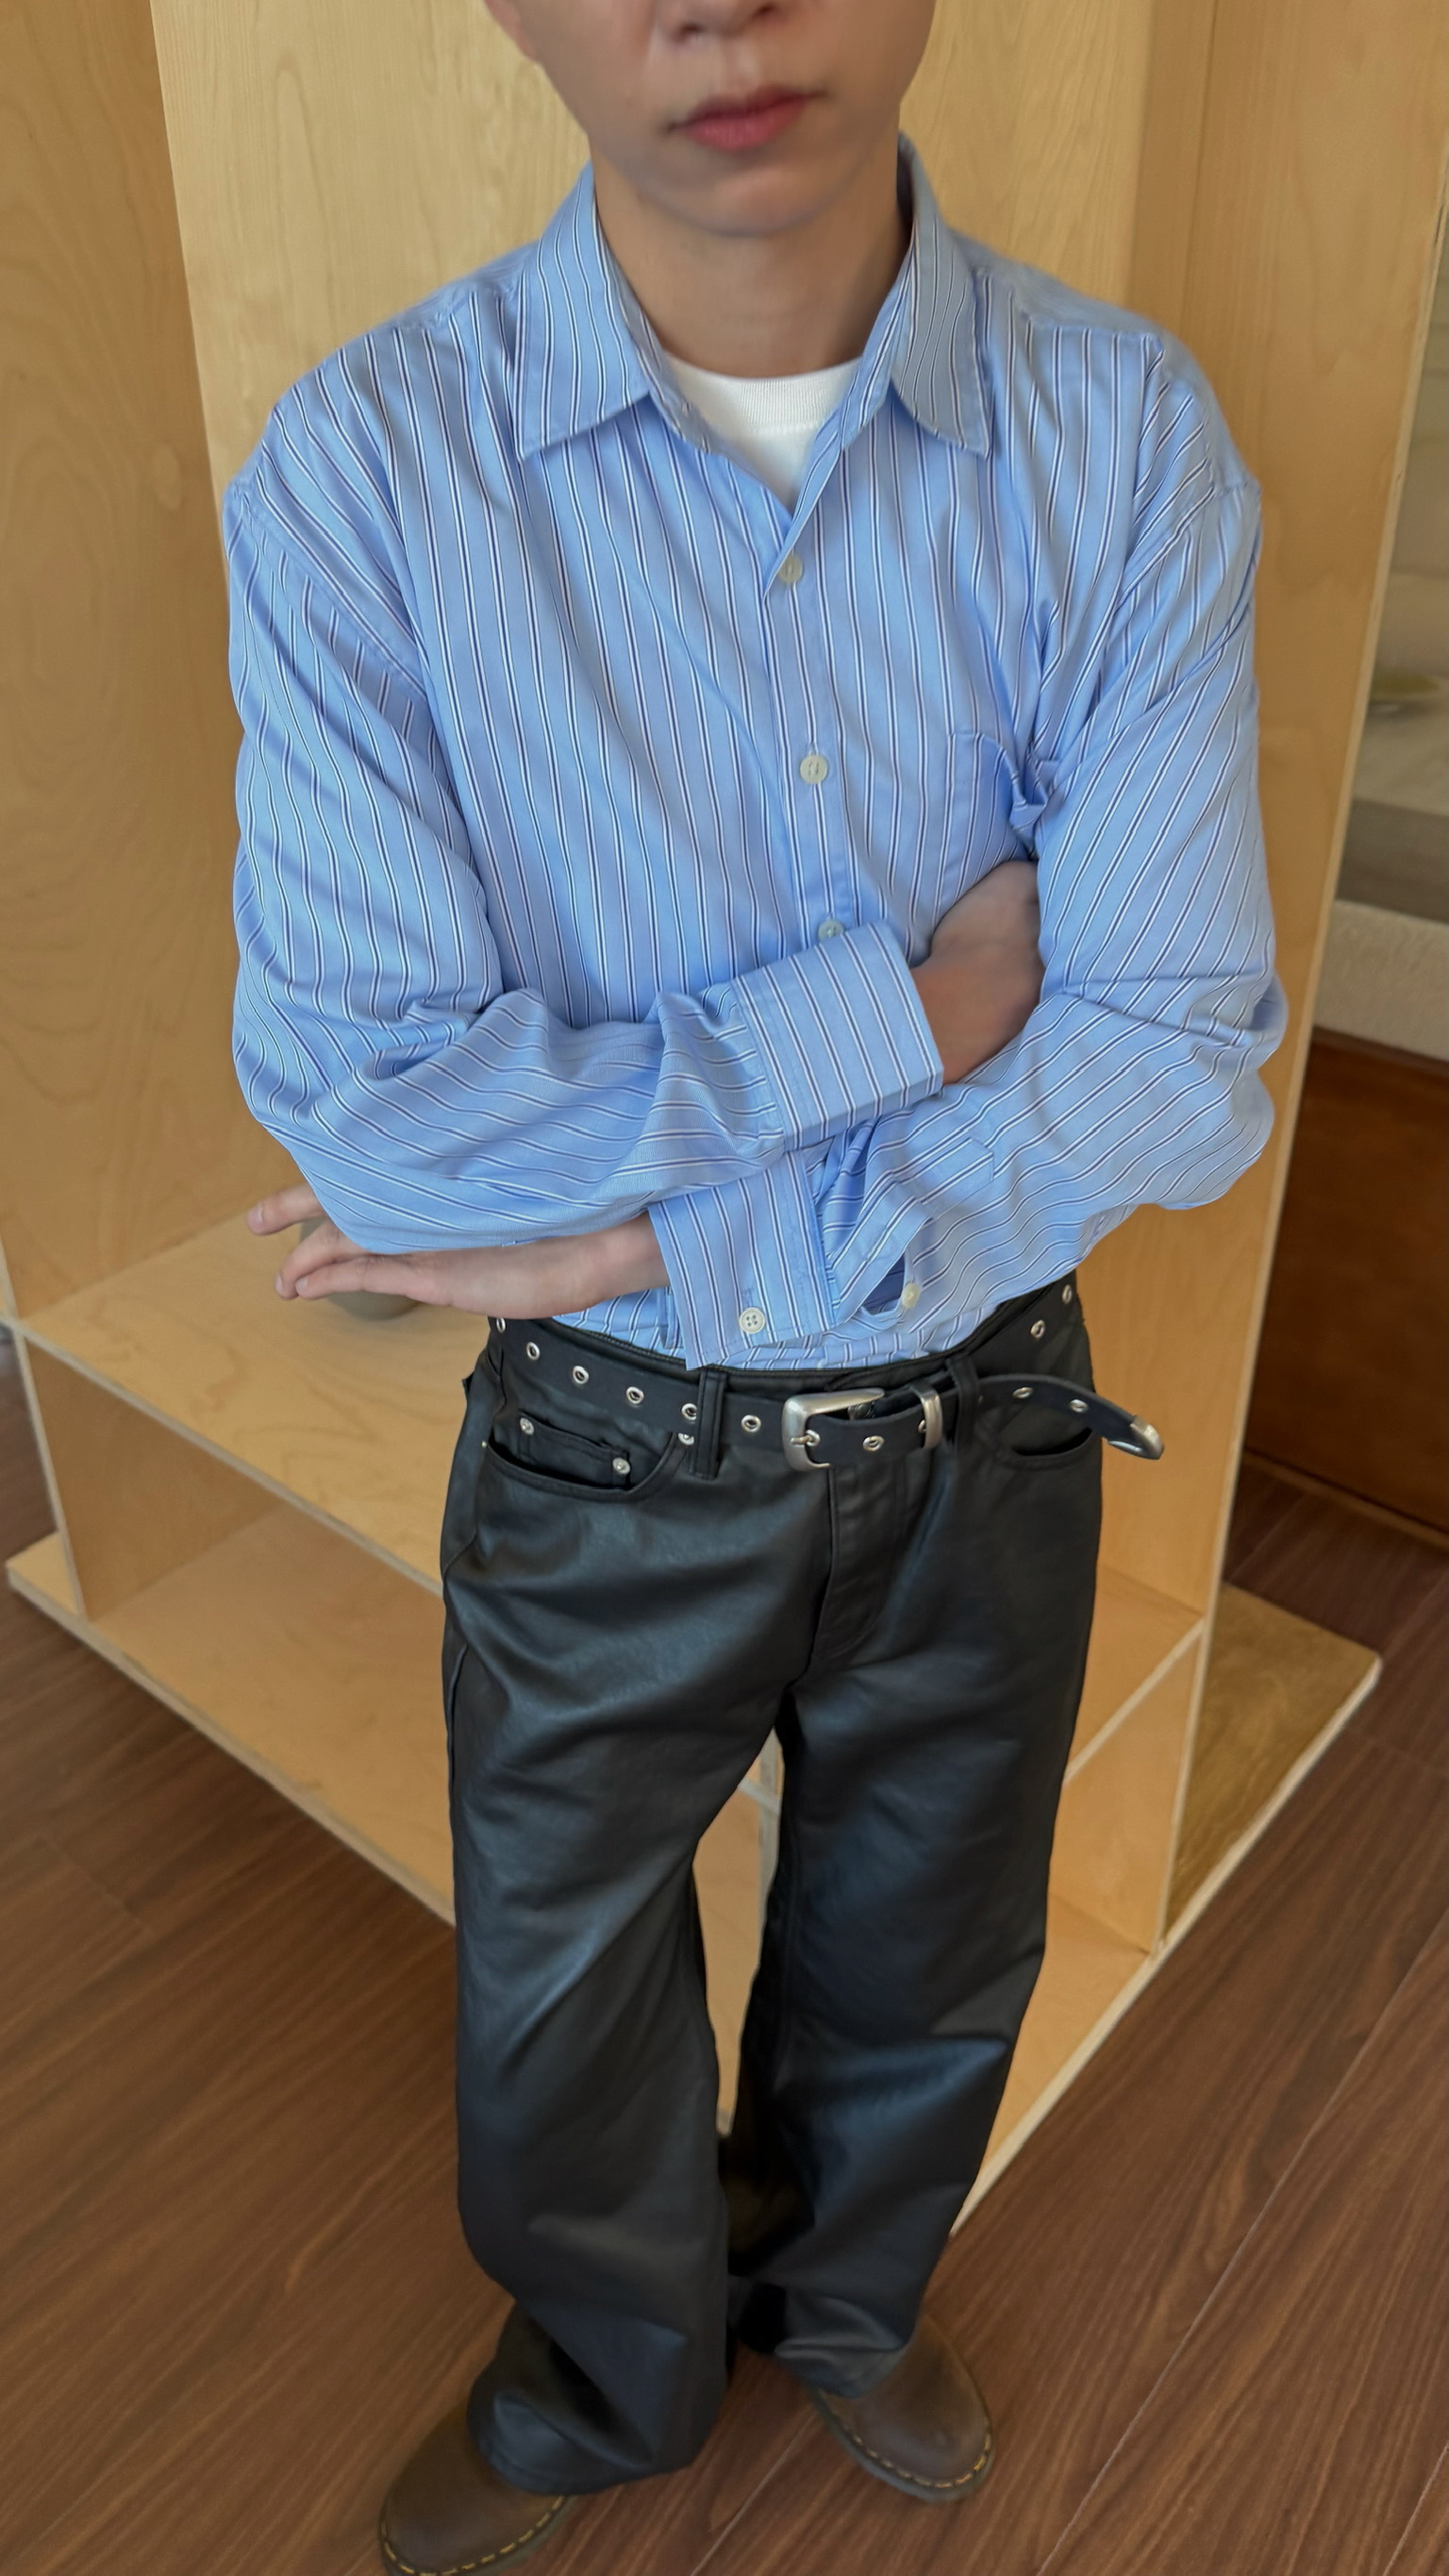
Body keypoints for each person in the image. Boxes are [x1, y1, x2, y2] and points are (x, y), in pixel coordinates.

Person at [227, 3, 1284, 2567]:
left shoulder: (1118, 435)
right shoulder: (367, 475)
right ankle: (599, 2382)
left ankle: (841, 2301)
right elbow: (380, 1112)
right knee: (561, 1980)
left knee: (932, 1929)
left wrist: (648, 1224)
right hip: (610, 1443)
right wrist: (915, 1011)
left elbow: (1176, 1057)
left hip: (980, 1403)